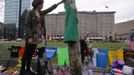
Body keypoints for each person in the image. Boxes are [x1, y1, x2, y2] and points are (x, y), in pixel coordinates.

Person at [20, 0, 66, 75]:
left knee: (31, 53)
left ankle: (28, 69)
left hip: (37, 37)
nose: (43, 5)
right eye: (42, 4)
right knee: (26, 53)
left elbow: (50, 9)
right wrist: (29, 37)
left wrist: (59, 3)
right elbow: (27, 25)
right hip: (31, 36)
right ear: (38, 4)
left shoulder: (41, 13)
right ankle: (22, 70)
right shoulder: (30, 13)